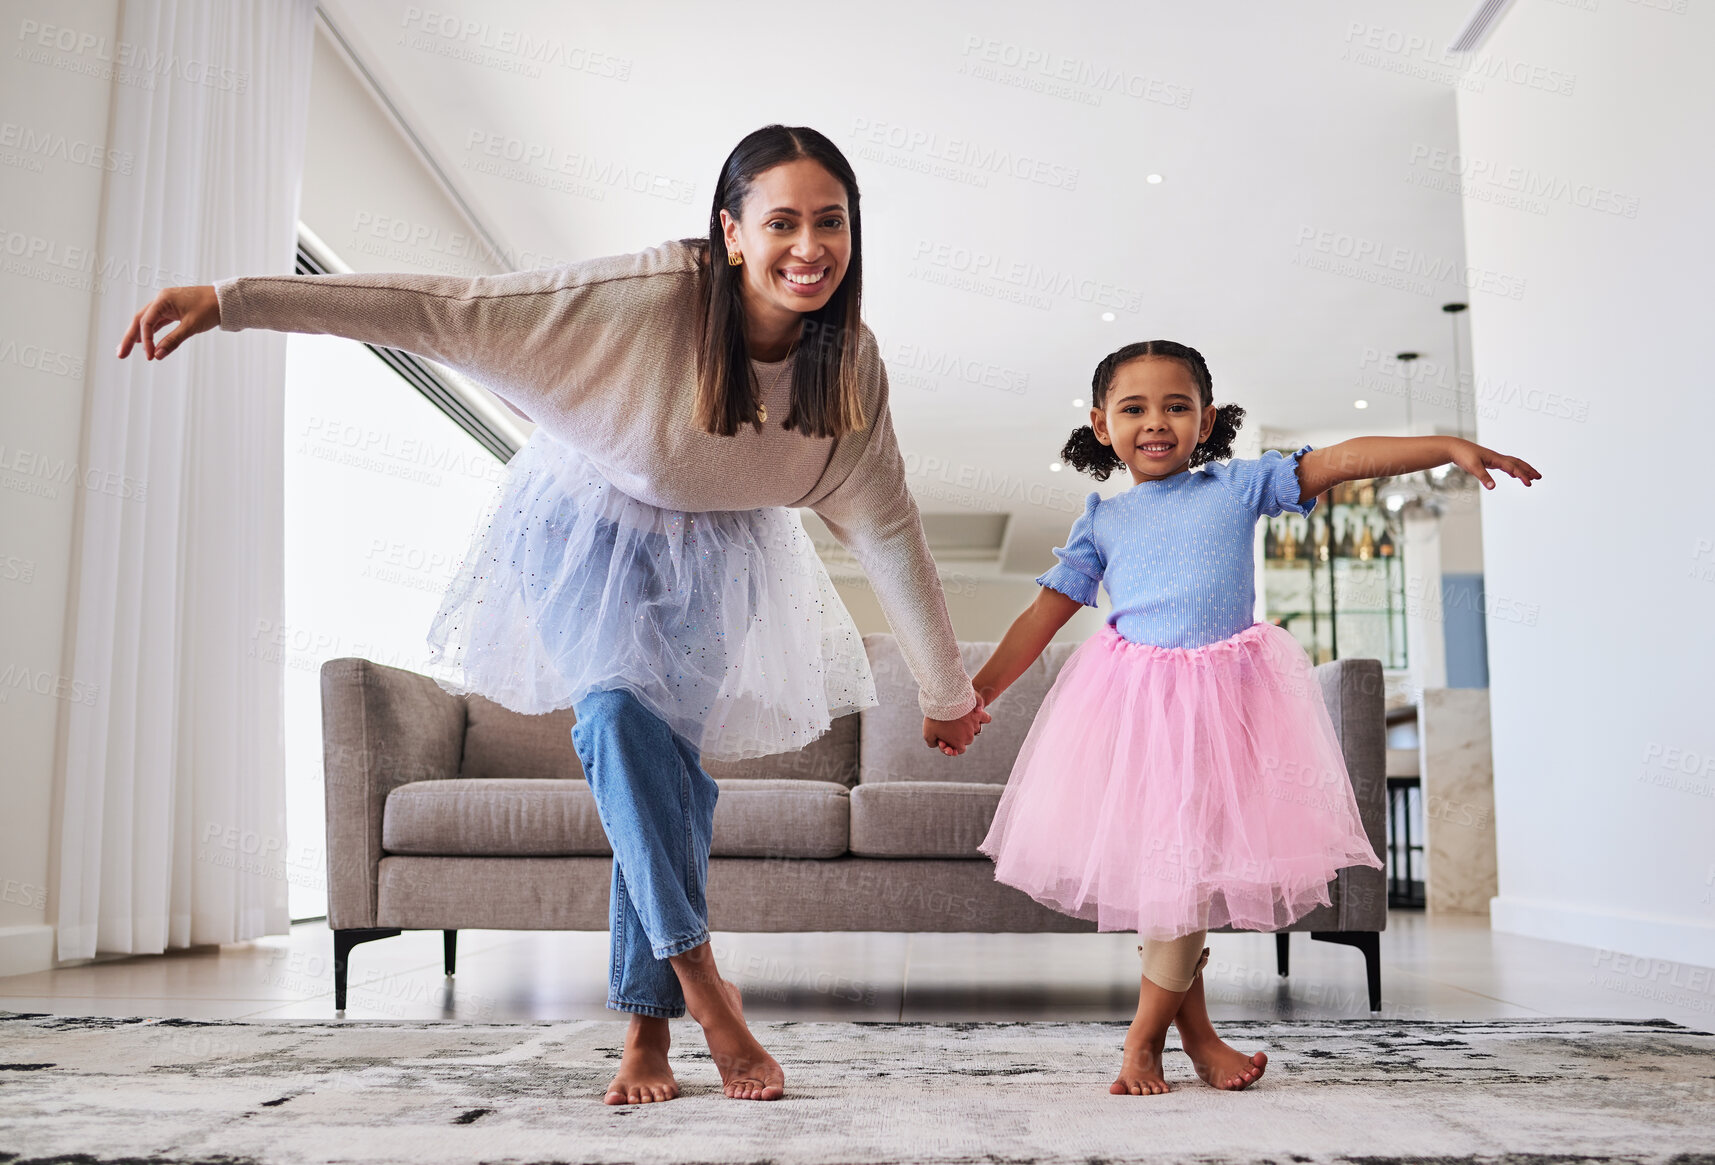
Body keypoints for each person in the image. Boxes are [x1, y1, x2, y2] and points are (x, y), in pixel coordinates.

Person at [115, 124, 992, 1105]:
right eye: (780, 221)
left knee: (661, 782)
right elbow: (443, 311)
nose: (809, 246)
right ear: (730, 233)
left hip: (718, 559)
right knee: (616, 721)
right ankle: (703, 985)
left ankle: (643, 1035)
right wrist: (236, 301)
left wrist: (944, 687)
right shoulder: (646, 301)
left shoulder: (848, 366)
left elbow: (887, 525)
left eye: (830, 223)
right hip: (588, 533)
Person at [956, 339, 1540, 1095]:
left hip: (1227, 710)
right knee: (1174, 877)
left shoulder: (1236, 485)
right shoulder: (1101, 520)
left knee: (1184, 876)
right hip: (1136, 715)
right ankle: (1170, 1041)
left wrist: (1443, 444)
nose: (1156, 421)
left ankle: (1163, 1039)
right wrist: (973, 697)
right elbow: (1042, 616)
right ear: (1101, 424)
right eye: (1133, 408)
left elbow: (1340, 459)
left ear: (1206, 421)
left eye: (1176, 405)